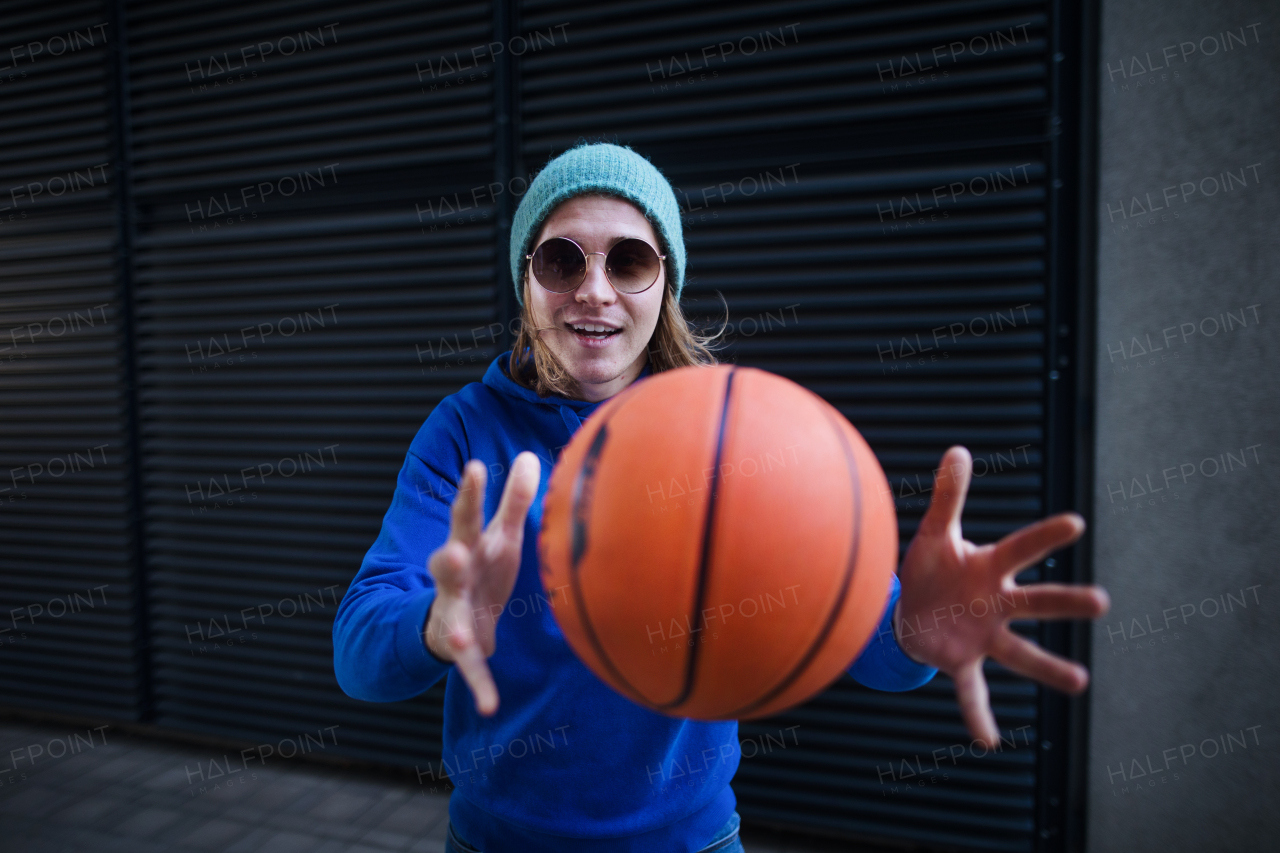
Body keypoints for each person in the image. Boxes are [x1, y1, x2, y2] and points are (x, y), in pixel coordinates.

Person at [333, 143, 1109, 853]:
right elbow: (360, 658)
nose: (594, 290)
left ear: (665, 280)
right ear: (526, 281)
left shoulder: (731, 433)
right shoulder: (465, 430)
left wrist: (920, 623)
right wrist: (436, 625)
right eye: (561, 260)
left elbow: (871, 644)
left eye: (629, 260)